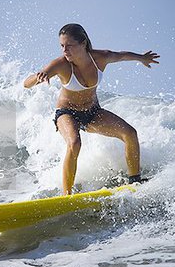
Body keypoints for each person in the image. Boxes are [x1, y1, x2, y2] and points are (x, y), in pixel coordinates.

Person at [24, 23, 160, 195]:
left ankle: (135, 180)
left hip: (93, 112)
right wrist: (38, 77)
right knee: (74, 143)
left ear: (83, 43)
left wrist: (142, 58)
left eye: (69, 46)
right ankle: (67, 195)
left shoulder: (101, 58)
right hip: (67, 113)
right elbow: (26, 84)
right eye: (62, 46)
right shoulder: (61, 65)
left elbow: (122, 55)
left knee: (130, 133)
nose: (65, 51)